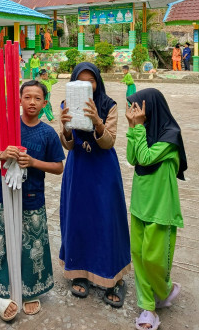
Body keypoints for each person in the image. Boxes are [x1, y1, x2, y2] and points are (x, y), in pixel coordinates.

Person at [0, 80, 65, 321]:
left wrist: (32, 162)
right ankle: (1, 289)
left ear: (45, 102)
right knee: (3, 241)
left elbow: (58, 167)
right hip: (7, 194)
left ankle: (30, 289)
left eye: (37, 98)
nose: (32, 102)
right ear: (19, 99)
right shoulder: (8, 126)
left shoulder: (48, 133)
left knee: (33, 245)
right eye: (27, 97)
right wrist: (2, 154)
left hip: (33, 197)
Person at [59, 62, 131, 307]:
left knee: (107, 219)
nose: (87, 85)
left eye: (92, 80)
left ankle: (115, 278)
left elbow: (109, 142)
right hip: (78, 168)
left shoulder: (109, 106)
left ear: (98, 82)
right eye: (81, 80)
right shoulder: (66, 104)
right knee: (78, 218)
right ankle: (79, 271)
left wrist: (97, 122)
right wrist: (66, 128)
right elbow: (67, 145)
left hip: (103, 170)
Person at [126, 89, 186, 330]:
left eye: (138, 108)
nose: (134, 113)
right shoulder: (141, 131)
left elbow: (146, 157)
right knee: (139, 255)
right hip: (140, 204)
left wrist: (137, 128)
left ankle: (166, 289)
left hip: (161, 208)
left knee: (153, 258)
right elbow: (132, 158)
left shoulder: (171, 136)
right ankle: (148, 307)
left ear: (150, 107)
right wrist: (134, 129)